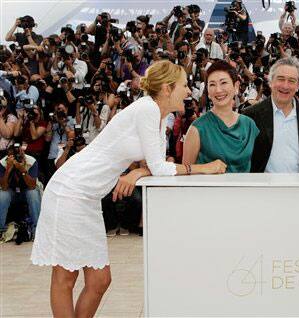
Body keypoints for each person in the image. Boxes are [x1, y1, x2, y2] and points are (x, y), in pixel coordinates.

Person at [30, 60, 227, 318]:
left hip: (87, 199)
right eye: (184, 85)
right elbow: (159, 166)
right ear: (167, 88)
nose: (189, 91)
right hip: (69, 191)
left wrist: (138, 171)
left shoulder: (159, 116)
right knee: (66, 277)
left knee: (100, 281)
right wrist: (204, 168)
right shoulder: (146, 108)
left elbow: (155, 164)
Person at [243, 57, 299, 172]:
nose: (285, 86)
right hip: (264, 186)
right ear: (271, 82)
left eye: (291, 81)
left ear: (298, 86)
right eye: (280, 79)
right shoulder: (251, 115)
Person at [183, 60, 259, 172]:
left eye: (223, 83)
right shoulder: (197, 129)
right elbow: (185, 176)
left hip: (245, 188)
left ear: (236, 86)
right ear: (207, 91)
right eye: (212, 84)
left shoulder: (249, 125)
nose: (218, 90)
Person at [0, 142, 41, 235]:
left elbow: (32, 186)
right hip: (12, 192)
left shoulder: (31, 161)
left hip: (26, 191)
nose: (16, 158)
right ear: (8, 156)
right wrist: (8, 169)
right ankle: (0, 229)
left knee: (33, 193)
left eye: (19, 155)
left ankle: (36, 229)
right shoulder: (3, 163)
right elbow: (4, 187)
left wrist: (23, 170)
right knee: (2, 195)